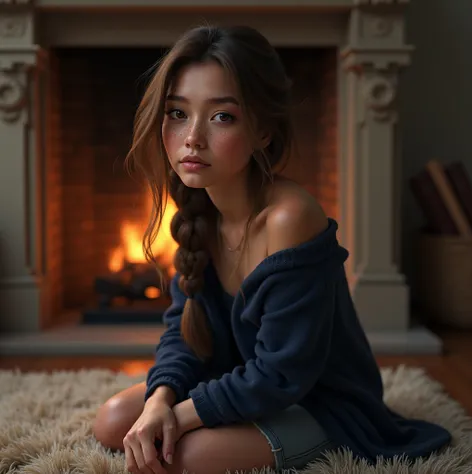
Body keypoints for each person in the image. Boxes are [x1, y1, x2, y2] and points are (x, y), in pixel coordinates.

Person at [93, 25, 451, 474]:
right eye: (178, 113)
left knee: (179, 457)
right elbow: (185, 335)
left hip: (313, 400)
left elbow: (282, 374)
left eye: (222, 116)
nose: (193, 138)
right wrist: (161, 399)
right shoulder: (197, 209)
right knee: (112, 423)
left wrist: (180, 417)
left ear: (262, 130)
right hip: (237, 382)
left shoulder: (290, 218)